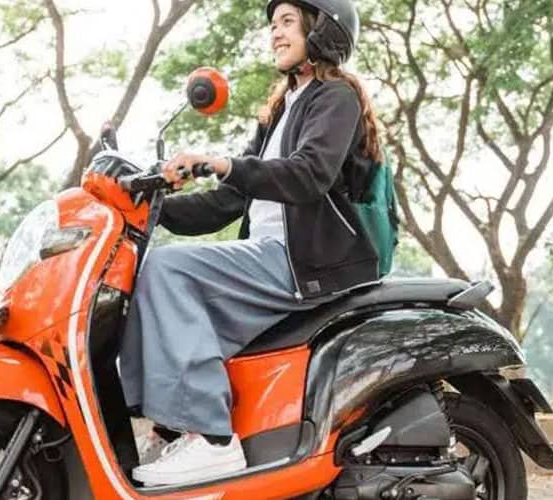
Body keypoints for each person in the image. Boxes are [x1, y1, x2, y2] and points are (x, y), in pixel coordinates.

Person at [119, 0, 383, 487]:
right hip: (272, 257)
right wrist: (146, 209)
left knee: (166, 271)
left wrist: (219, 163)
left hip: (304, 262)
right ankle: (173, 426)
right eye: (273, 25)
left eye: (287, 22)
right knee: (144, 272)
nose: (275, 33)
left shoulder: (335, 97)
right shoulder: (281, 110)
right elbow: (226, 203)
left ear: (322, 30)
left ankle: (212, 439)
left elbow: (308, 175)